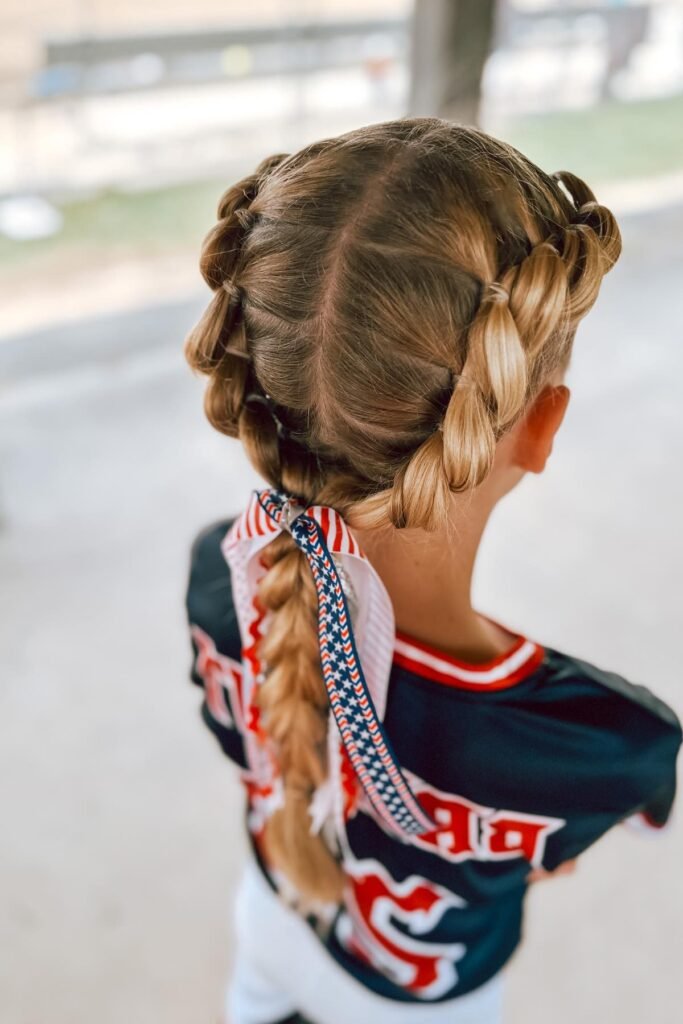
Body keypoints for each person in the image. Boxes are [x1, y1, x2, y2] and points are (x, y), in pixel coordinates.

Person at [183, 118, 682, 1024]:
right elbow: (569, 844)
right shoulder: (601, 737)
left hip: (269, 923)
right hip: (420, 1002)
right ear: (539, 426)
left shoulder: (220, 576)